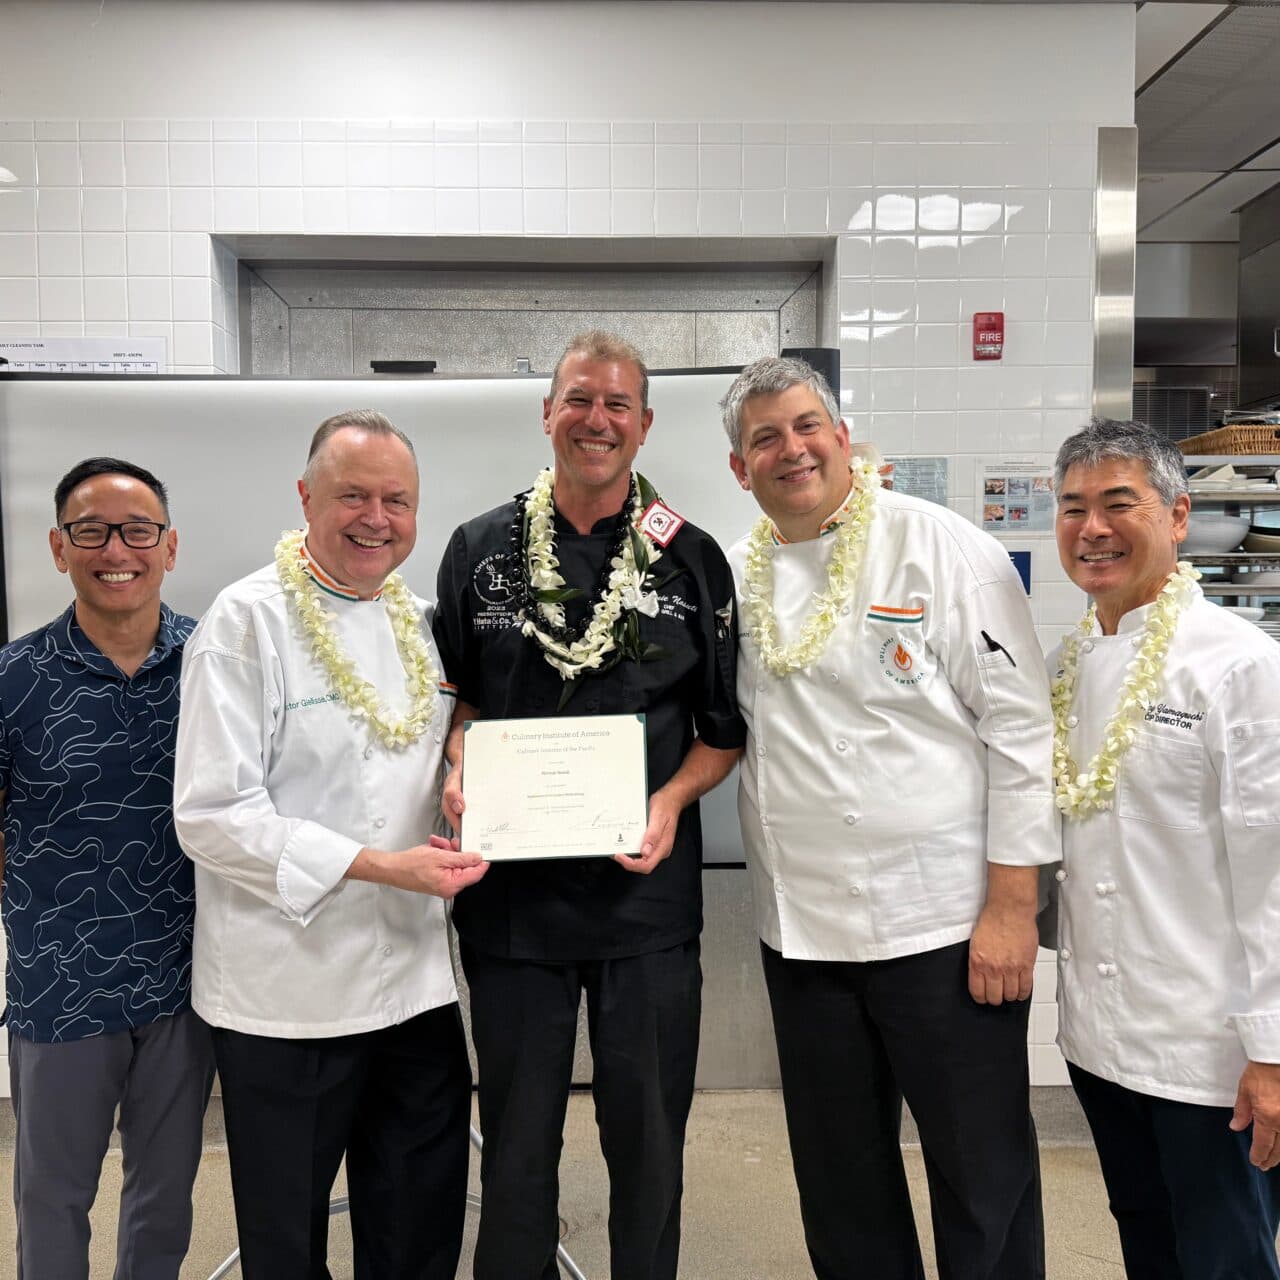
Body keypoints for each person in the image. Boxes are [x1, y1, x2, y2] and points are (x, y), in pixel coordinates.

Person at [721, 355, 1057, 1280]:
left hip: (943, 926)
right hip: (803, 934)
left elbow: (1022, 730)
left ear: (842, 437)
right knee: (841, 1182)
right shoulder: (736, 575)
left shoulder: (941, 546)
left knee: (980, 1171)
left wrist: (1013, 909)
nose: (792, 450)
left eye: (806, 427)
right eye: (765, 439)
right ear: (740, 468)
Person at [434, 330, 746, 1280]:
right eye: (579, 398)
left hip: (644, 907)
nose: (596, 419)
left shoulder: (691, 560)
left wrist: (673, 799)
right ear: (547, 413)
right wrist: (458, 760)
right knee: (517, 1145)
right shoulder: (479, 551)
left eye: (617, 404)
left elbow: (722, 731)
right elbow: (459, 704)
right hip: (512, 907)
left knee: (648, 1145)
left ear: (644, 425)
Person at [173, 410, 486, 1280]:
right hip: (285, 999)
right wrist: (381, 866)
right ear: (306, 498)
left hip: (415, 989)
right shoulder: (245, 623)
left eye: (397, 500)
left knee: (419, 1232)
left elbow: (445, 738)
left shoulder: (424, 624)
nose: (375, 519)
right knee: (286, 1244)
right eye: (353, 496)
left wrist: (464, 764)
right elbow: (211, 814)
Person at [1050, 418, 1280, 1279]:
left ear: (1178, 516)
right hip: (1100, 1042)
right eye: (1073, 507)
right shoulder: (1068, 663)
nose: (1093, 529)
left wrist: (1273, 1051)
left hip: (1209, 1050)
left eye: (1120, 504)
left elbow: (1273, 871)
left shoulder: (1240, 666)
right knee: (1146, 1241)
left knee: (1224, 1258)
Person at [0, 457, 213, 1279]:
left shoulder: (218, 662)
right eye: (91, 531)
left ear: (170, 546)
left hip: (187, 981)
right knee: (52, 1198)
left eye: (138, 531)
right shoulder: (13, 679)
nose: (116, 550)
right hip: (61, 986)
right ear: (59, 548)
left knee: (165, 1197)